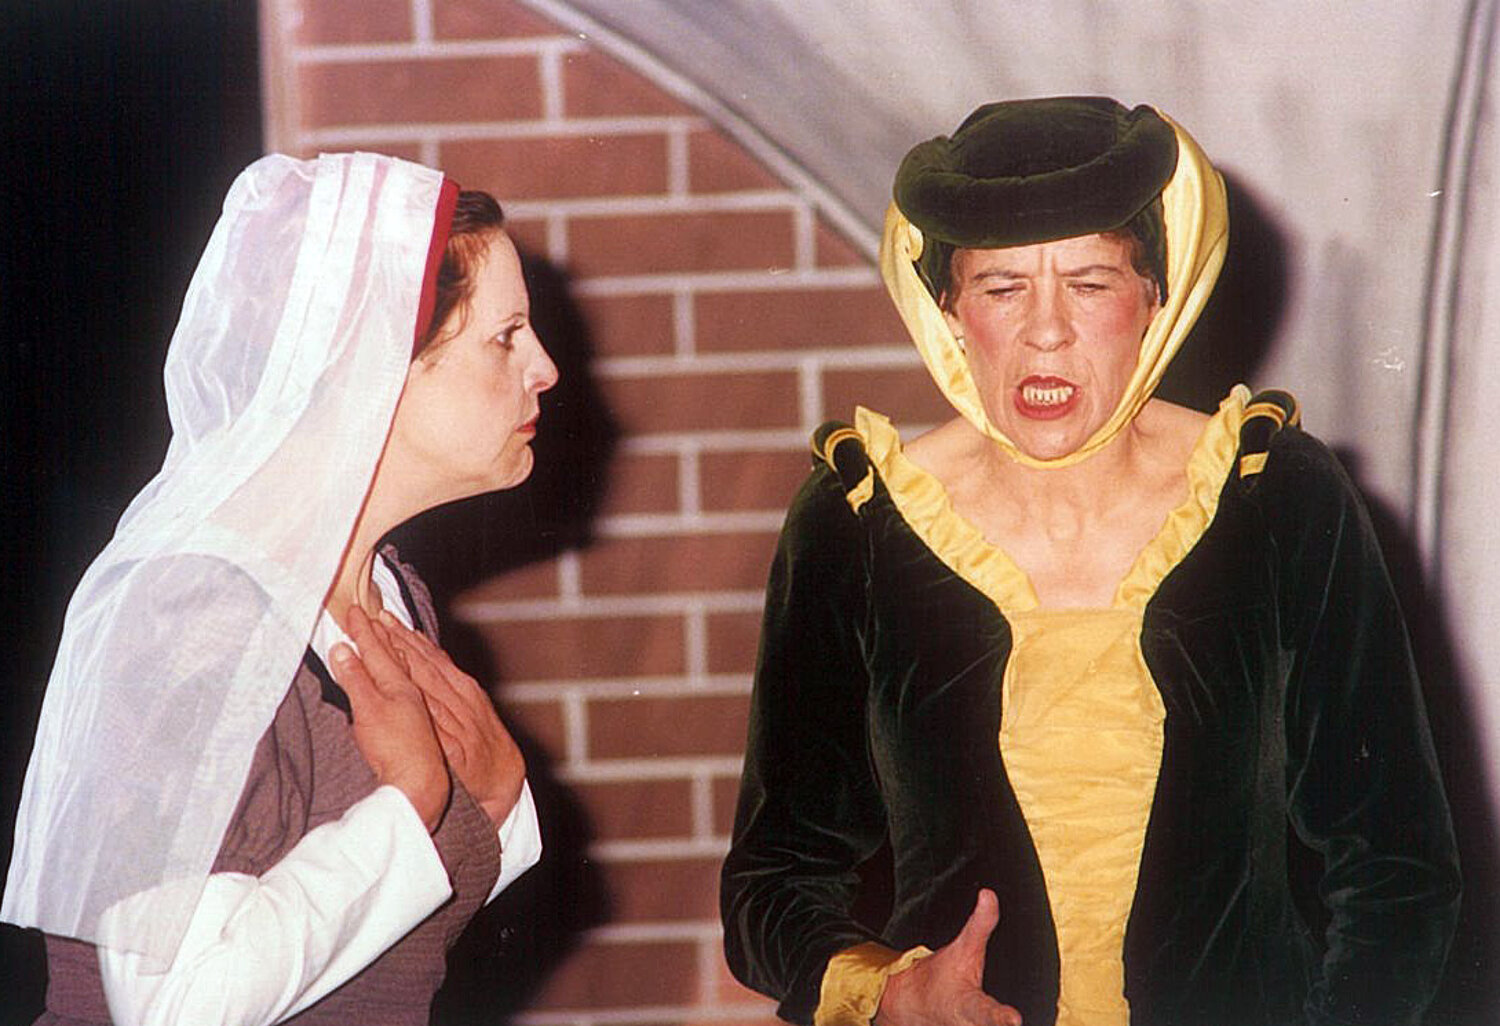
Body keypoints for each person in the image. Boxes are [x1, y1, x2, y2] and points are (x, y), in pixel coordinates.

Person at [720, 98, 1460, 1026]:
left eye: (1091, 283)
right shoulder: (857, 523)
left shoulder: (1274, 497)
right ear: (948, 310)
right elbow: (771, 884)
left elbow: (1397, 868)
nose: (1047, 331)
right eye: (1002, 288)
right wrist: (890, 992)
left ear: (1157, 297)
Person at [2, 151, 558, 1024]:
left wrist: (490, 797)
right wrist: (412, 800)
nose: (544, 367)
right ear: (371, 362)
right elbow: (174, 1005)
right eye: (505, 335)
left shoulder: (390, 593)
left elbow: (376, 955)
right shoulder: (192, 611)